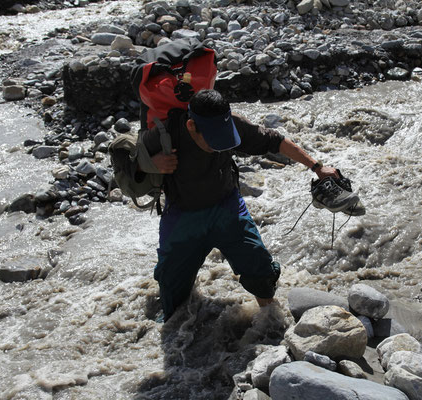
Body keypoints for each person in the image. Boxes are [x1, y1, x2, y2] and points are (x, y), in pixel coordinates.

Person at [141, 89, 352, 322]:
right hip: (183, 216)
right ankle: (174, 327)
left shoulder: (234, 124)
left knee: (259, 268)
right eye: (214, 141)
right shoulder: (165, 133)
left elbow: (276, 141)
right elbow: (127, 162)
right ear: (192, 126)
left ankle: (271, 320)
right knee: (171, 287)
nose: (220, 146)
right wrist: (152, 162)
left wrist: (317, 167)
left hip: (227, 207)